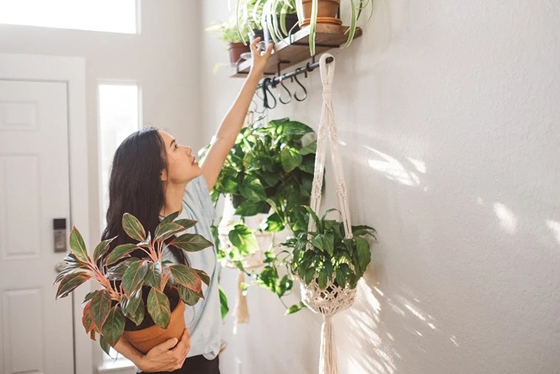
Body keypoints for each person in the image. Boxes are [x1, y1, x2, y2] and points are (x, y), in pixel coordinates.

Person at [101, 37, 273, 374]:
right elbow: (99, 313)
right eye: (176, 146)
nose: (189, 148)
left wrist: (256, 73)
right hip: (172, 366)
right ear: (161, 173)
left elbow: (224, 138)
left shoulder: (194, 200)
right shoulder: (139, 241)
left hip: (208, 358)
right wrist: (141, 362)